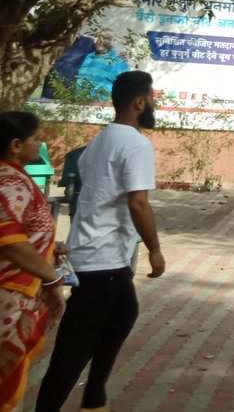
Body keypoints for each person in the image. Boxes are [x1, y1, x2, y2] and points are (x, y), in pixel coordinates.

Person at [36, 70, 166, 412]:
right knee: (73, 349)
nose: (153, 104)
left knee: (124, 314)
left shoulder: (100, 140)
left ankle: (94, 398)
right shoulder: (135, 143)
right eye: (152, 98)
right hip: (101, 258)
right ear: (140, 101)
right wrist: (155, 249)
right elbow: (137, 201)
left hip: (101, 254)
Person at [0, 111, 67, 410]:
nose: (40, 144)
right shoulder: (8, 183)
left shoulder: (17, 178)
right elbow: (11, 242)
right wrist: (52, 278)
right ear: (16, 144)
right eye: (36, 138)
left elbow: (24, 233)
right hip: (8, 297)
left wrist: (50, 247)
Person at [75, 33, 130, 101]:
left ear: (112, 43)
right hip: (79, 103)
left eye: (107, 39)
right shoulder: (89, 56)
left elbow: (126, 85)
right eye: (100, 38)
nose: (102, 40)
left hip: (101, 105)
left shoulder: (118, 60)